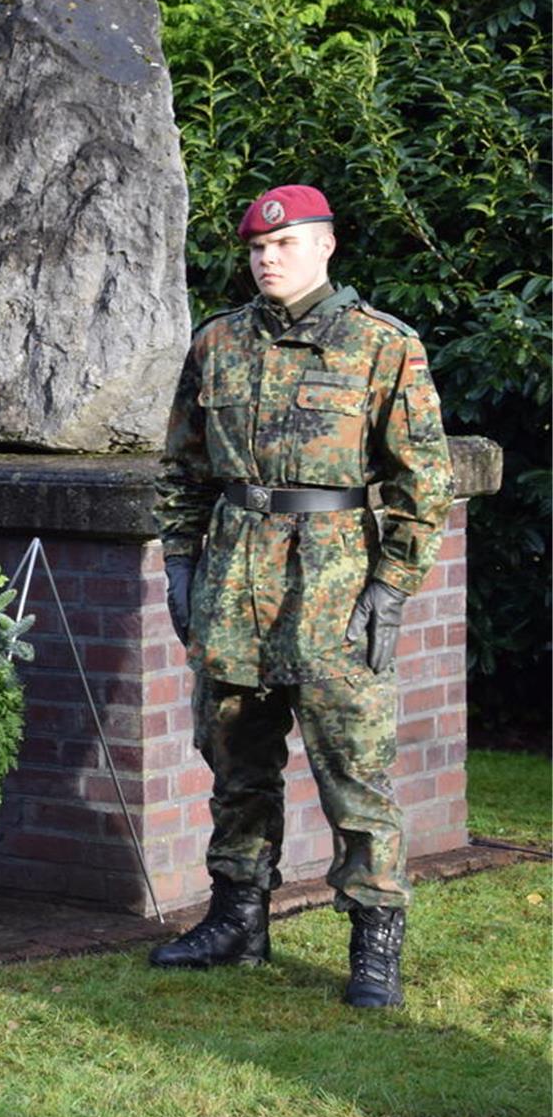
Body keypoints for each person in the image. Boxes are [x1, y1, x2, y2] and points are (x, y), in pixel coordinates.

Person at [152, 184, 454, 1007]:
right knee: (235, 760)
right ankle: (238, 920)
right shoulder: (217, 344)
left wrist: (390, 588)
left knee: (355, 770)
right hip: (234, 578)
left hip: (333, 584)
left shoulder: (381, 347)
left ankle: (374, 939)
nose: (268, 258)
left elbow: (425, 480)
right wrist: (180, 563)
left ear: (327, 247)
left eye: (285, 245)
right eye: (256, 248)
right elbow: (182, 468)